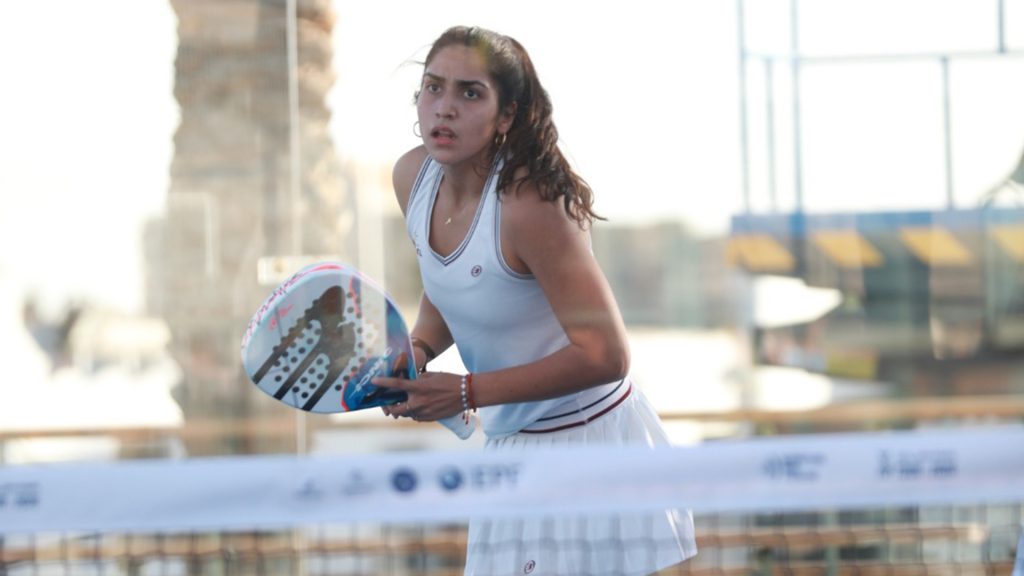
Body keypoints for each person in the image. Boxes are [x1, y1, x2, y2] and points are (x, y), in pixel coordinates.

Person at [373, 25, 697, 576]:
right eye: (433, 87)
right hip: (510, 454)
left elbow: (606, 355)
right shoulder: (411, 178)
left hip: (597, 451)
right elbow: (450, 284)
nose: (444, 108)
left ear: (506, 117)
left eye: (470, 92)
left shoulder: (531, 205)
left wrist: (465, 391)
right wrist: (421, 348)